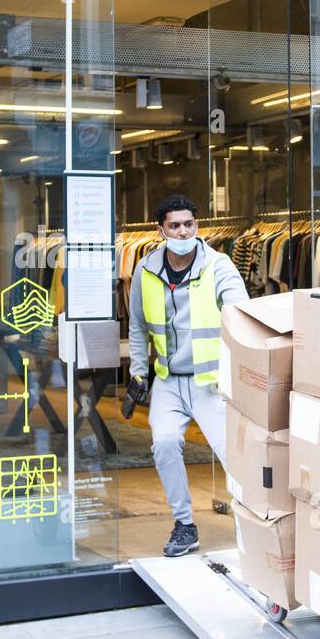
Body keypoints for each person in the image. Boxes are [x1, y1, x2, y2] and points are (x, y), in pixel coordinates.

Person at [128, 193, 247, 557]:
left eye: (189, 224)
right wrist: (137, 373)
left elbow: (242, 314)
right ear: (160, 230)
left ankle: (251, 526)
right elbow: (137, 327)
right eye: (174, 226)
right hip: (168, 378)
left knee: (232, 453)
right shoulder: (145, 269)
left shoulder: (219, 265)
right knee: (164, 444)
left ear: (198, 226)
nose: (182, 232)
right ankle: (184, 525)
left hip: (210, 381)